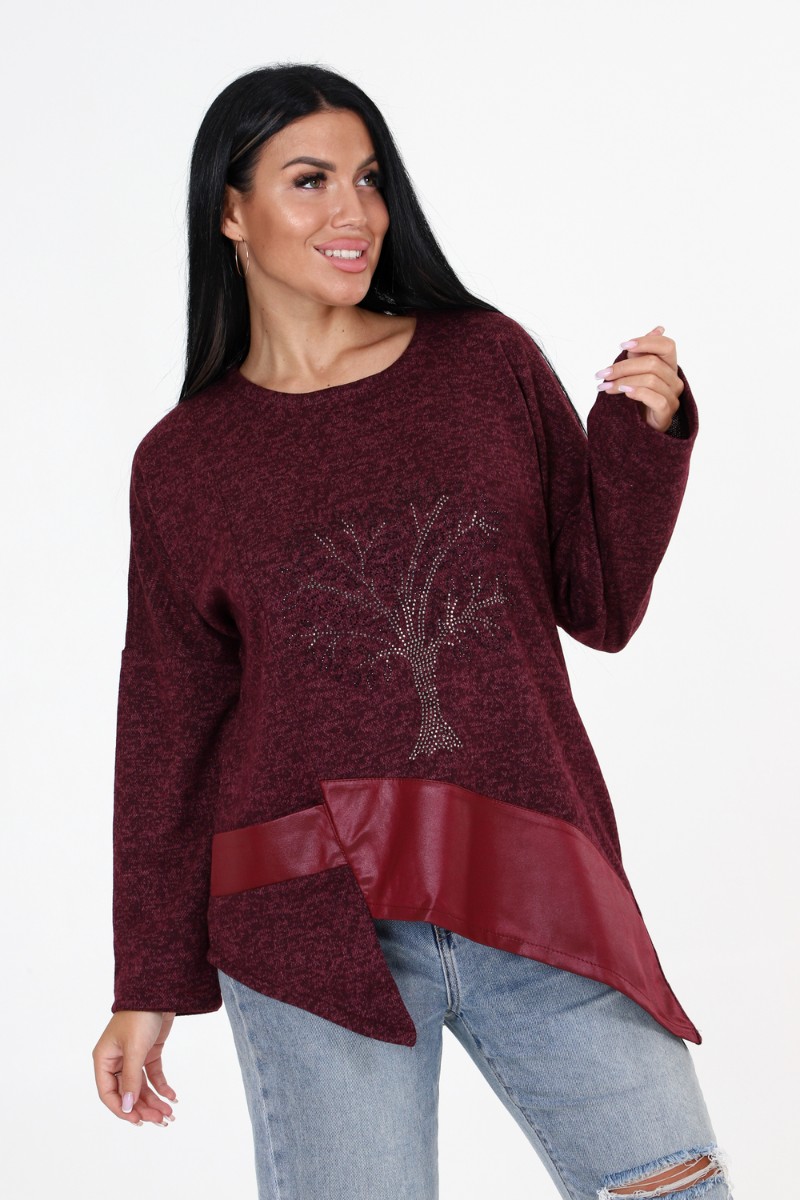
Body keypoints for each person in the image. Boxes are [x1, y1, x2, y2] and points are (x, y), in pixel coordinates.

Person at [92, 63, 734, 1200]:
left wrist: (643, 437)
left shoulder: (482, 361)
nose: (354, 211)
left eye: (369, 179)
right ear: (230, 211)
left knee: (675, 1187)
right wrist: (146, 981)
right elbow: (167, 724)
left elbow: (596, 602)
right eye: (310, 180)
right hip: (306, 920)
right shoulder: (184, 462)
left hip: (531, 878)